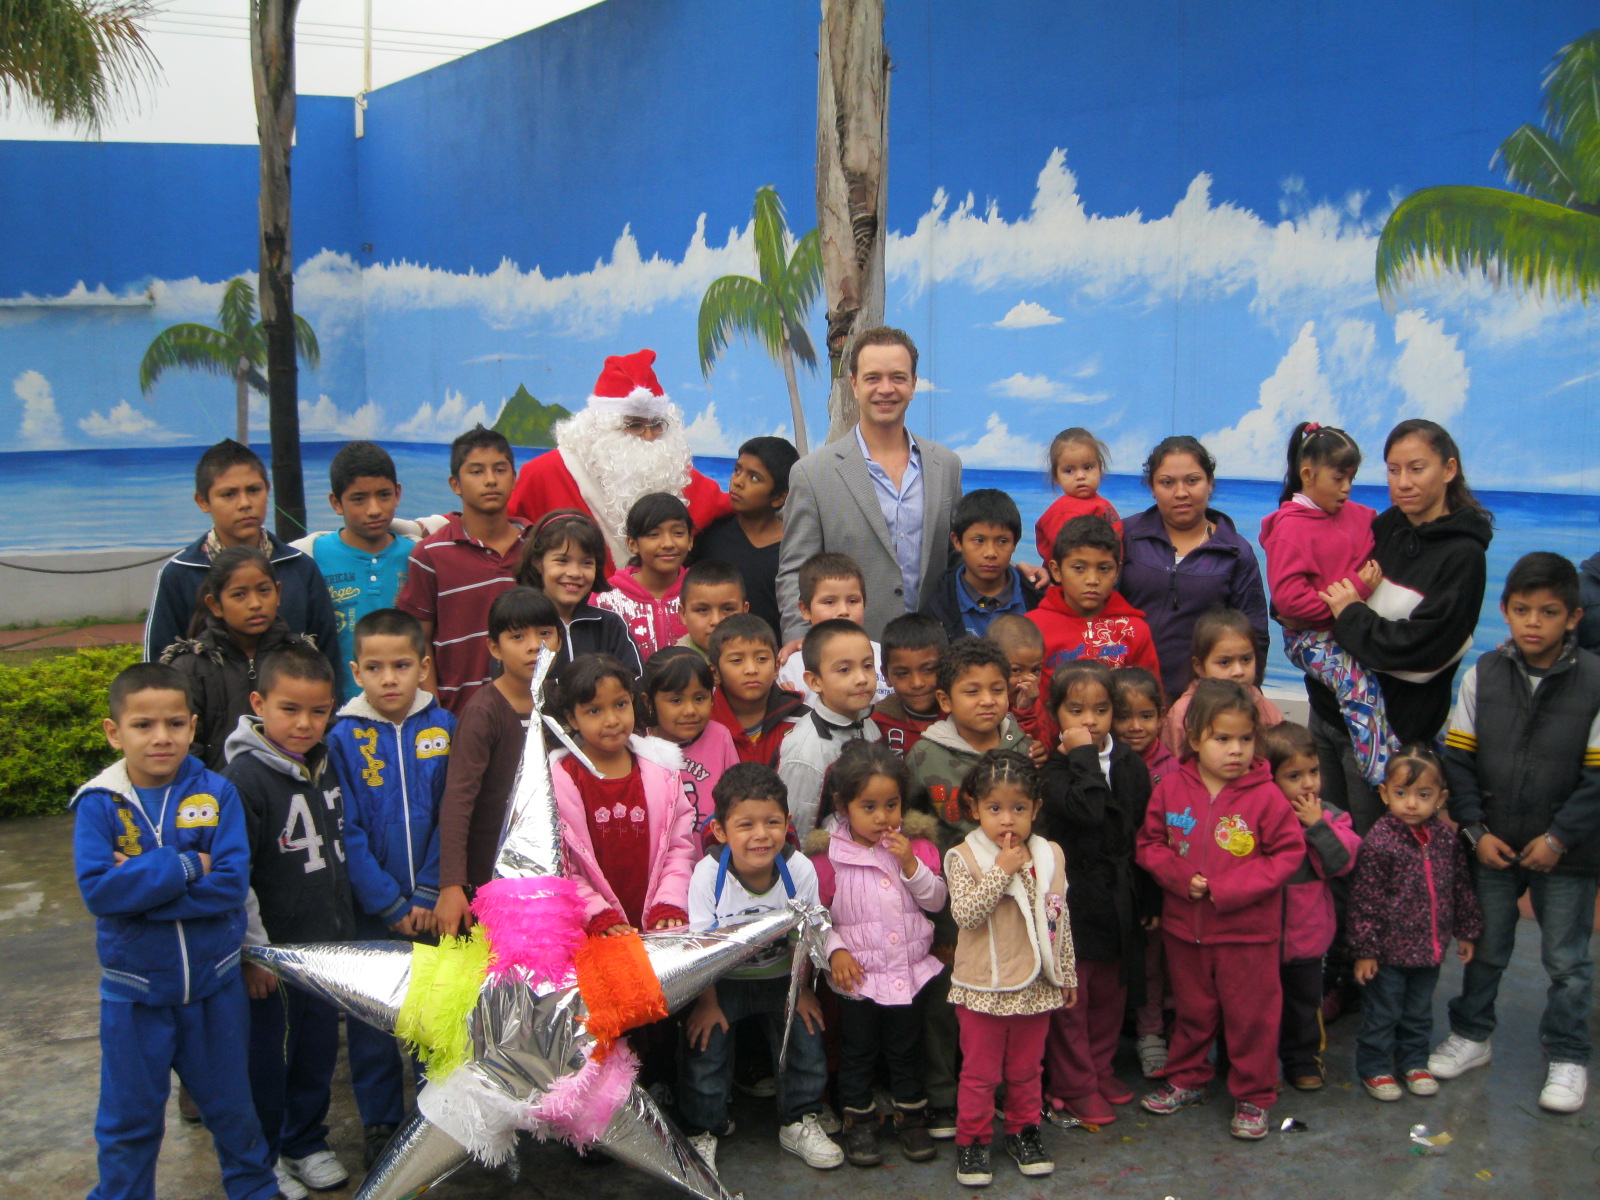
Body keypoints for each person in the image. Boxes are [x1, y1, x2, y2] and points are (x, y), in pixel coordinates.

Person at [72, 662, 281, 1200]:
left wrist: (139, 893)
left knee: (234, 1110)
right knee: (129, 1121)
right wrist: (186, 867)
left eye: (174, 724)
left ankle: (255, 1190)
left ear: (192, 725)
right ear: (114, 732)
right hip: (134, 995)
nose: (161, 737)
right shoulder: (99, 804)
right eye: (143, 725)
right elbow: (100, 894)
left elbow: (231, 885)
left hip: (214, 988)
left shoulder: (217, 793)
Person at [226, 643, 406, 1199]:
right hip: (276, 956)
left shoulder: (326, 761)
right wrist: (257, 954)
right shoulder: (242, 779)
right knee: (269, 1057)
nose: (304, 724)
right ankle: (266, 1152)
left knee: (317, 1052)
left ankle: (306, 1141)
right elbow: (238, 878)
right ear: (259, 704)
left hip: (327, 947)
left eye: (318, 710)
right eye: (289, 710)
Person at [1432, 551, 1600, 1113]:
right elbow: (1457, 761)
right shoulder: (1484, 673)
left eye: (1549, 612)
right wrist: (1475, 830)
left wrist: (1558, 840)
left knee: (1568, 962)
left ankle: (1569, 1055)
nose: (1533, 622)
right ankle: (1472, 1035)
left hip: (1569, 854)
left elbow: (1597, 778)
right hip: (1493, 847)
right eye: (1522, 609)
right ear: (1504, 611)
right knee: (1486, 949)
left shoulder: (1596, 681)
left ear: (1573, 617)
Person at [1135, 679, 1303, 1141]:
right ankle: (1188, 1078)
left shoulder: (1266, 796)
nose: (1236, 750)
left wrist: (1227, 889)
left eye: (1245, 739)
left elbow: (1287, 855)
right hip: (1184, 932)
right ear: (1194, 739)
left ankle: (1254, 1094)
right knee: (1191, 1011)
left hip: (1248, 934)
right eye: (1222, 739)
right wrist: (1176, 876)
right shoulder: (1170, 788)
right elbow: (1149, 844)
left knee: (1252, 1017)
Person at [1313, 420, 1494, 831]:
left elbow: (1422, 655)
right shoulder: (1383, 527)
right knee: (1326, 848)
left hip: (1392, 736)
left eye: (1416, 468)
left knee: (1372, 857)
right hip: (1327, 715)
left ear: (1448, 470)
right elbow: (1332, 587)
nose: (1402, 482)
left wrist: (1351, 616)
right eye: (1393, 470)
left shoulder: (1464, 556)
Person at [322, 607, 455, 1163]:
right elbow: (343, 829)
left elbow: (454, 813)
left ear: (423, 667)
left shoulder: (445, 728)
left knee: (436, 1014)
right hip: (370, 911)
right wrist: (387, 901)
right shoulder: (342, 738)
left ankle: (441, 1116)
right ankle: (379, 1123)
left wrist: (427, 893)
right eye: (374, 668)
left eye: (402, 665)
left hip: (435, 909)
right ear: (356, 671)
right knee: (372, 1021)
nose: (389, 679)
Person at [681, 764, 841, 1174]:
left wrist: (803, 991)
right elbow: (704, 948)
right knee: (706, 1045)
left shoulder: (798, 869)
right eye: (745, 824)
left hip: (781, 980)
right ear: (720, 830)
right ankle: (705, 1128)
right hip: (723, 982)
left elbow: (804, 937)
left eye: (772, 822)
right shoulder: (709, 876)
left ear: (787, 824)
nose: (760, 835)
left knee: (805, 1036)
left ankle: (798, 1119)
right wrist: (706, 1003)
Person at [777, 327, 967, 642]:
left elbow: (959, 555)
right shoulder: (813, 473)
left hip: (930, 653)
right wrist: (799, 639)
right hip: (848, 657)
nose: (886, 389)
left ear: (914, 384)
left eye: (898, 377)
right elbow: (795, 570)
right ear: (853, 384)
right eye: (872, 378)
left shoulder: (946, 465)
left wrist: (1014, 575)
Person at [809, 740, 946, 1167]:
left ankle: (910, 1116)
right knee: (858, 1051)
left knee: (906, 1049)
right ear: (842, 805)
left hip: (908, 969)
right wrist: (835, 952)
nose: (883, 817)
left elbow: (937, 902)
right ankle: (859, 1120)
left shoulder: (917, 848)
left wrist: (911, 867)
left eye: (892, 805)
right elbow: (815, 917)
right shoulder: (827, 857)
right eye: (869, 807)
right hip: (858, 979)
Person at [944, 750, 1076, 1187]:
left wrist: (1067, 973)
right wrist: (1000, 872)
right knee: (980, 1073)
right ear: (974, 809)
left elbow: (1059, 915)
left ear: (1036, 809)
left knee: (1026, 1068)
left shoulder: (1049, 854)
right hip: (983, 986)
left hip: (1036, 983)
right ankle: (973, 1140)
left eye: (1019, 809)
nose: (1007, 821)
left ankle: (1024, 1132)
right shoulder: (963, 857)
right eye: (994, 809)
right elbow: (966, 914)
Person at [1037, 660, 1153, 1127]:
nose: (1090, 721)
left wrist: (1148, 902)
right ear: (1055, 714)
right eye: (1077, 710)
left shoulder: (1129, 763)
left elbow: (1141, 832)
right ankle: (1075, 1083)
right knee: (1074, 997)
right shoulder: (1055, 770)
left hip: (1118, 895)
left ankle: (1100, 1069)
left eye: (1101, 710)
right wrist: (1082, 755)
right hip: (1073, 899)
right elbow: (1086, 811)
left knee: (1110, 992)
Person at [507, 348, 730, 574]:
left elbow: (736, 505)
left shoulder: (672, 474)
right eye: (635, 426)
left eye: (657, 425)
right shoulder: (544, 473)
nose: (649, 437)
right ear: (599, 428)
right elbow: (505, 532)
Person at [1261, 422, 1394, 786]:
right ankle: (1384, 776)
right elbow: (1289, 602)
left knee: (1377, 680)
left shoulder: (1359, 515)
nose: (1347, 488)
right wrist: (1352, 598)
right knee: (1358, 684)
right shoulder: (1290, 528)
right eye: (1339, 478)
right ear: (1308, 474)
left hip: (1345, 629)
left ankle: (1390, 755)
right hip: (1309, 639)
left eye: (1351, 477)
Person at [144, 438, 340, 686]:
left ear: (268, 490)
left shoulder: (299, 568)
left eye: (254, 490)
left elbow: (327, 657)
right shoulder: (181, 573)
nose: (245, 504)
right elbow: (159, 667)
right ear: (203, 501)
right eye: (229, 494)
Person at [1349, 745, 1480, 1102]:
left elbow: (1460, 886)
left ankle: (1414, 1062)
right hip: (1388, 955)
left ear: (1441, 798)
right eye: (1401, 793)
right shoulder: (1379, 841)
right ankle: (1375, 1066)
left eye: (1423, 795)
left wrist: (1467, 931)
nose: (1411, 804)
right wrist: (1365, 951)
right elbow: (1365, 901)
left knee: (1419, 1012)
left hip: (1430, 951)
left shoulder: (1445, 839)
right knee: (1383, 1012)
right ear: (1384, 792)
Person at [433, 588, 562, 936]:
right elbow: (459, 800)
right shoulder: (483, 711)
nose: (535, 645)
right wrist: (452, 885)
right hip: (489, 875)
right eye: (517, 636)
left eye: (545, 633)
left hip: (554, 872)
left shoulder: (565, 704)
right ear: (494, 647)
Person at [1116, 436, 1269, 705]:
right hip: (1126, 699)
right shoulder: (1125, 537)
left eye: (1192, 480)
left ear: (1210, 483)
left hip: (1204, 704)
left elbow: (1254, 636)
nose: (1181, 492)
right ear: (1152, 487)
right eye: (1167, 482)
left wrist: (1240, 702)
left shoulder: (1235, 551)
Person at [395, 426, 530, 714]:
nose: (491, 480)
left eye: (500, 469)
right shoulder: (429, 555)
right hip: (458, 716)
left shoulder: (538, 548)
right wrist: (434, 715)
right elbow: (417, 642)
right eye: (477, 471)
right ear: (455, 484)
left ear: (514, 478)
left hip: (532, 715)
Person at [1259, 721, 1362, 1093]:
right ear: (1269, 779)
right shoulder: (1258, 816)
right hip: (1262, 938)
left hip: (1307, 939)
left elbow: (1343, 863)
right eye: (1294, 775)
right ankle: (1254, 1062)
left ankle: (1303, 1059)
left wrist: (1317, 827)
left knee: (1304, 1007)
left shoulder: (1331, 815)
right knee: (1259, 1007)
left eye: (1314, 772)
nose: (1308, 784)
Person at [161, 546, 314, 770]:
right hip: (215, 796)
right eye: (239, 594)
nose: (255, 604)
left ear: (278, 593)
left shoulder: (301, 658)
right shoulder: (191, 665)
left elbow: (321, 728)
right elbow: (184, 746)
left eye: (264, 590)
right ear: (215, 605)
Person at [291, 441, 417, 698]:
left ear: (398, 493)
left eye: (384, 495)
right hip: (337, 713)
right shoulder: (310, 558)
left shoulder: (419, 557)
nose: (374, 510)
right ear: (336, 503)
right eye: (359, 499)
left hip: (410, 711)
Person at [1112, 665, 1177, 1078]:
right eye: (1123, 716)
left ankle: (1152, 1033)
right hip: (1118, 884)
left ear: (1162, 714)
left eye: (1146, 716)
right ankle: (1123, 1029)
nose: (1135, 727)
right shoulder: (1103, 762)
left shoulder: (1175, 768)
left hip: (1158, 884)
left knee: (1155, 964)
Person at [907, 638, 1036, 843]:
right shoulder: (925, 755)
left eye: (997, 690)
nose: (987, 700)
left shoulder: (1024, 749)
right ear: (945, 700)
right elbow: (910, 820)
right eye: (972, 691)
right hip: (950, 869)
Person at [1028, 514, 1160, 699]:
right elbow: (1023, 701)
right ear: (1056, 571)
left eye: (1104, 568)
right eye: (1079, 568)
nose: (1092, 580)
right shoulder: (1032, 629)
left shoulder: (1135, 631)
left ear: (1117, 572)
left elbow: (1150, 698)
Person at [777, 619, 883, 837]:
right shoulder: (806, 753)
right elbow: (797, 835)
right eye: (844, 669)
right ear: (815, 682)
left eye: (868, 666)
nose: (862, 678)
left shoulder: (867, 722)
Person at [690, 436, 800, 638]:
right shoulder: (711, 532)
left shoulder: (794, 549)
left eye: (755, 477)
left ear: (778, 497)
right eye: (737, 470)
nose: (738, 481)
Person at [514, 509, 641, 674]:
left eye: (586, 563)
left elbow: (634, 685)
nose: (574, 573)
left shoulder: (609, 626)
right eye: (562, 561)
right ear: (538, 562)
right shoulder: (518, 625)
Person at [922, 489, 1044, 643]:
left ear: (1015, 543)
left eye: (1002, 541)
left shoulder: (1038, 599)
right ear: (957, 542)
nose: (990, 553)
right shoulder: (938, 609)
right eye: (978, 540)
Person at [1160, 608, 1285, 757]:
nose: (1239, 671)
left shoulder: (1265, 709)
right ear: (1199, 667)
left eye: (1246, 659)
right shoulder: (1183, 714)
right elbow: (1172, 767)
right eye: (1225, 662)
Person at [643, 646, 737, 837]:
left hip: (713, 858)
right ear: (649, 702)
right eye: (676, 700)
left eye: (700, 698)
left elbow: (738, 798)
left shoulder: (719, 738)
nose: (690, 710)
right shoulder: (640, 748)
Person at [776, 552, 891, 706]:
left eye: (853, 600)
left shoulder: (884, 657)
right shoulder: (791, 668)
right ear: (805, 609)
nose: (843, 610)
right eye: (829, 602)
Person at [594, 492, 692, 661]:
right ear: (632, 544)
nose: (668, 543)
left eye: (678, 533)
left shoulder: (703, 593)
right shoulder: (604, 601)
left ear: (690, 540)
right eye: (654, 534)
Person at [707, 613, 807, 767]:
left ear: (776, 668)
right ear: (715, 673)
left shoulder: (802, 721)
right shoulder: (703, 725)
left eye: (761, 659)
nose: (751, 669)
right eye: (737, 660)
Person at [1033, 427, 1122, 563]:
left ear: (1100, 468)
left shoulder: (1102, 503)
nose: (1080, 476)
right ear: (1056, 477)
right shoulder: (1063, 512)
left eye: (1087, 467)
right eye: (1069, 470)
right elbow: (1066, 557)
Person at [872, 612, 949, 757]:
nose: (917, 683)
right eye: (903, 673)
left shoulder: (964, 716)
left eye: (928, 670)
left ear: (947, 666)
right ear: (886, 676)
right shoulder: (876, 723)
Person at [986, 615, 1053, 758]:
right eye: (1016, 670)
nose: (1027, 680)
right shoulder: (983, 702)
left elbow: (1040, 744)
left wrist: (1041, 751)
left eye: (1035, 670)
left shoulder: (1035, 703)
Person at [676, 559, 749, 661]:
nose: (716, 621)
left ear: (744, 612)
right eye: (702, 610)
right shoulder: (675, 668)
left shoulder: (759, 658)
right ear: (683, 614)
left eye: (728, 609)